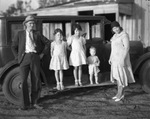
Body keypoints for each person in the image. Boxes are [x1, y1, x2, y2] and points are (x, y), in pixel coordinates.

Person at [11, 15, 50, 110]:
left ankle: (35, 103)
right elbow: (13, 47)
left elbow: (48, 42)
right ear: (26, 24)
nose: (32, 25)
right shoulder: (19, 34)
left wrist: (42, 54)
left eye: (33, 23)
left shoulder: (37, 33)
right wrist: (18, 58)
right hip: (24, 58)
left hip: (35, 57)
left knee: (36, 80)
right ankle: (25, 105)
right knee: (23, 81)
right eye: (30, 23)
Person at [108, 21, 135, 102]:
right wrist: (110, 58)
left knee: (121, 77)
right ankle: (119, 94)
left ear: (119, 27)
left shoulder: (124, 35)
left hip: (121, 58)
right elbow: (112, 49)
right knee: (117, 77)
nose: (115, 29)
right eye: (113, 28)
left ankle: (121, 94)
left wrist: (123, 59)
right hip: (115, 59)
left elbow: (127, 48)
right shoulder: (114, 36)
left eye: (116, 27)